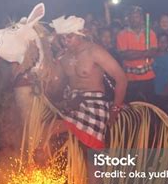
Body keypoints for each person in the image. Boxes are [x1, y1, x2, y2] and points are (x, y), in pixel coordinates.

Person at [40, 15, 127, 152]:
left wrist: (115, 109)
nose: (65, 41)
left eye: (69, 37)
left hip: (94, 105)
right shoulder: (63, 57)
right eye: (62, 38)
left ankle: (97, 170)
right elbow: (55, 85)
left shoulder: (94, 51)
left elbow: (121, 78)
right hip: (72, 104)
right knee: (44, 132)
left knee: (91, 149)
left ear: (79, 34)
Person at [116, 6, 157, 102]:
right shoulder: (121, 34)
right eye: (132, 16)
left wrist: (133, 52)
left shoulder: (150, 33)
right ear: (129, 18)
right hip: (130, 78)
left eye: (137, 16)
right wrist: (145, 53)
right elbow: (125, 55)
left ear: (142, 18)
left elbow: (153, 52)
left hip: (148, 76)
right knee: (132, 107)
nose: (134, 19)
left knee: (149, 107)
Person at [152, 33, 168, 113]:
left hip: (165, 92)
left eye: (165, 41)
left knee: (165, 116)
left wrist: (167, 89)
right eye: (160, 41)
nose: (162, 44)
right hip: (152, 91)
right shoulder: (151, 56)